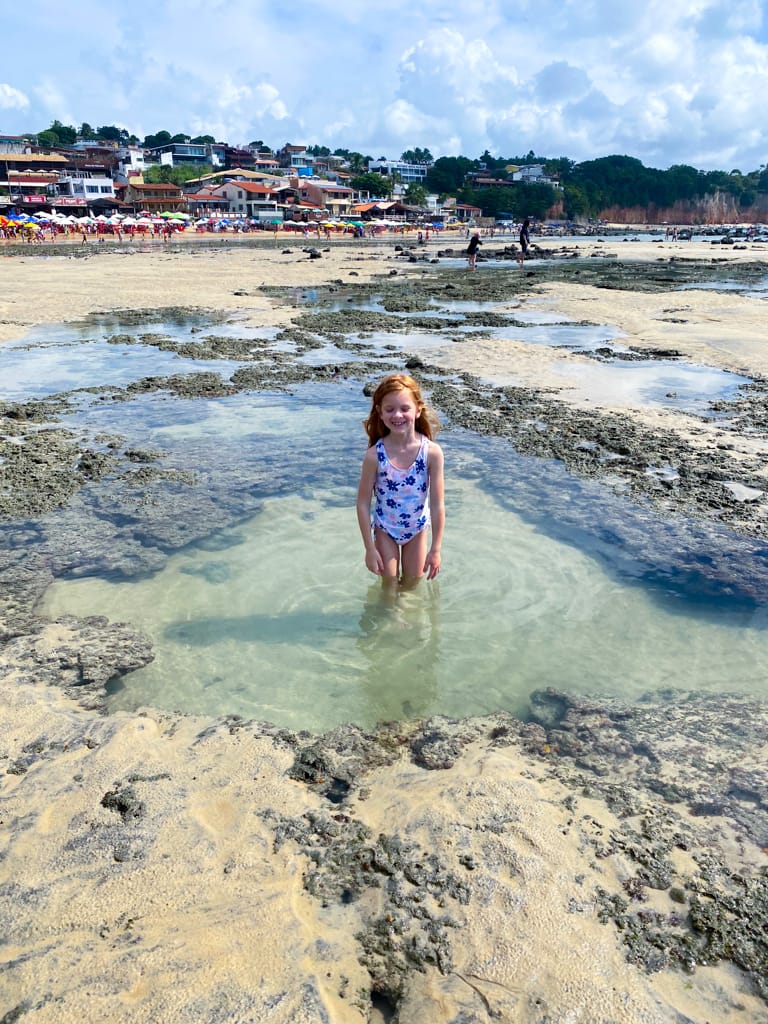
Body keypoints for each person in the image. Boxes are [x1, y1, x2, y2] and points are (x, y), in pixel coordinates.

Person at [356, 374, 445, 585]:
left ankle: (408, 619)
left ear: (418, 409)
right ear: (380, 412)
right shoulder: (374, 456)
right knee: (389, 586)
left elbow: (438, 504)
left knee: (413, 585)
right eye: (390, 409)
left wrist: (436, 549)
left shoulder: (431, 453)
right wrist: (369, 548)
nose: (397, 415)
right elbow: (362, 503)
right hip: (385, 528)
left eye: (405, 408)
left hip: (417, 529)